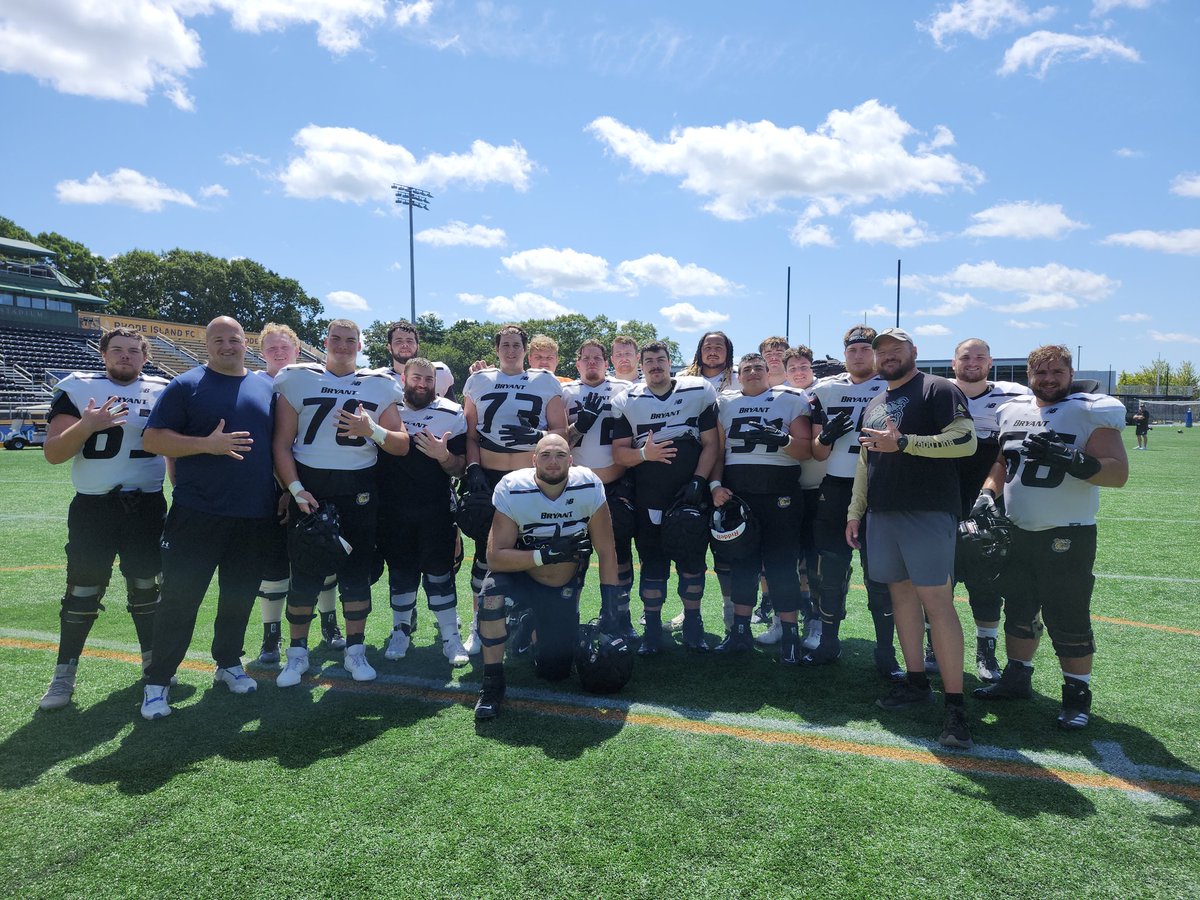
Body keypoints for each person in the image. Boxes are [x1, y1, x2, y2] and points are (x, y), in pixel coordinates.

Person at [973, 345, 1128, 729]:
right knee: (1018, 609)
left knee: (1068, 616)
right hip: (1017, 530)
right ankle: (1017, 677)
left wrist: (1074, 460)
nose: (1048, 379)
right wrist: (987, 494)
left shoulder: (1090, 410)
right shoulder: (1012, 409)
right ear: (1029, 375)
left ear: (1070, 373)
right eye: (1040, 373)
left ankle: (1077, 695)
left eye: (1057, 371)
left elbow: (1117, 473)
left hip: (1067, 534)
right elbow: (1002, 461)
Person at [846, 327, 977, 750]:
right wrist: (855, 511)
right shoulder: (875, 402)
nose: (887, 355)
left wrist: (905, 442)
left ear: (913, 351)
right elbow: (865, 460)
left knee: (937, 603)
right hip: (882, 513)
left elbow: (965, 440)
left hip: (927, 510)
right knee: (900, 598)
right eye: (881, 350)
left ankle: (955, 705)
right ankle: (917, 681)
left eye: (895, 349)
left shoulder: (938, 388)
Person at [140, 317, 278, 719]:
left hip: (253, 513)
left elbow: (276, 446)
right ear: (207, 344)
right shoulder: (185, 385)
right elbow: (153, 438)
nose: (227, 346)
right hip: (198, 513)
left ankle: (229, 663)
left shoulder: (265, 387)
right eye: (218, 340)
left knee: (238, 596)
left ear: (245, 343)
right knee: (180, 599)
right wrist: (207, 445)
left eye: (233, 339)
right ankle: (158, 681)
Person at [38, 328, 171, 710]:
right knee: (82, 590)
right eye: (118, 350)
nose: (125, 356)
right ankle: (64, 676)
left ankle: (154, 666)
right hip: (94, 507)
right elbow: (54, 453)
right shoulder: (79, 388)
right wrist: (87, 425)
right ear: (103, 354)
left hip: (146, 506)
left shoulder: (162, 389)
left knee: (147, 588)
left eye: (133, 351)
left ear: (145, 357)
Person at [272, 319, 410, 687]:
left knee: (357, 571)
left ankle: (355, 650)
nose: (343, 345)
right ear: (325, 341)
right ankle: (297, 654)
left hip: (358, 488)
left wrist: (372, 430)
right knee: (304, 571)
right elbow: (281, 443)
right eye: (336, 338)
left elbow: (401, 444)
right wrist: (295, 488)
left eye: (351, 340)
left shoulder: (379, 384)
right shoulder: (298, 378)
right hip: (311, 487)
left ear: (360, 345)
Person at [474, 434, 622, 720]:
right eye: (545, 455)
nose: (553, 461)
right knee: (491, 598)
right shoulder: (513, 488)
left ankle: (529, 623)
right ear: (534, 460)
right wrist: (545, 555)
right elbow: (495, 557)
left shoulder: (589, 485)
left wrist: (610, 607)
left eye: (559, 455)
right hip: (520, 575)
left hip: (560, 585)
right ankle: (492, 684)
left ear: (571, 460)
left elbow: (607, 551)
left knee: (555, 671)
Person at [460, 324, 567, 653]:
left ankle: (530, 625)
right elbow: (470, 434)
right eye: (504, 345)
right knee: (485, 552)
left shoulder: (544, 381)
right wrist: (473, 467)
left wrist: (543, 449)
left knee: (533, 550)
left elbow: (560, 430)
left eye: (516, 345)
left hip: (531, 479)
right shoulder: (478, 380)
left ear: (525, 349)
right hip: (491, 477)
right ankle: (479, 625)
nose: (510, 350)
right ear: (497, 349)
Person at [803, 326, 901, 680]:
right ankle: (829, 642)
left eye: (865, 349)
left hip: (880, 487)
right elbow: (817, 452)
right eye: (852, 350)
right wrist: (826, 436)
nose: (859, 355)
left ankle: (885, 651)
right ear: (844, 354)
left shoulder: (894, 385)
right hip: (836, 486)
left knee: (880, 574)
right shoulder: (826, 390)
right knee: (829, 570)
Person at [611, 340, 721, 654]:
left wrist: (699, 480)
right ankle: (652, 629)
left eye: (660, 359)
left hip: (688, 491)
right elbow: (619, 454)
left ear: (670, 362)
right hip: (650, 494)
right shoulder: (627, 399)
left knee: (692, 561)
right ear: (641, 365)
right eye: (649, 361)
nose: (655, 365)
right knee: (652, 563)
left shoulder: (697, 391)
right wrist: (644, 454)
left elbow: (711, 444)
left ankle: (693, 624)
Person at [709, 353, 812, 662]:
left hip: (781, 495)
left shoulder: (790, 399)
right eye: (746, 368)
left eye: (758, 367)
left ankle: (790, 636)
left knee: (782, 565)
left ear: (769, 372)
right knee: (742, 564)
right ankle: (739, 632)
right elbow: (717, 451)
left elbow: (806, 449)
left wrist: (783, 440)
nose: (752, 372)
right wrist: (715, 485)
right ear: (738, 375)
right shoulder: (725, 403)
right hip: (739, 495)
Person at [254, 323, 343, 665]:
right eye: (271, 348)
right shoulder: (254, 384)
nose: (279, 353)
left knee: (322, 553)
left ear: (297, 349)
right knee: (274, 564)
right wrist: (284, 487)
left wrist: (295, 488)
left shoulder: (312, 380)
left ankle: (329, 623)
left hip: (311, 486)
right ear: (262, 352)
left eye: (284, 347)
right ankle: (271, 634)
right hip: (269, 488)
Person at [377, 357, 470, 667]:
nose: (422, 384)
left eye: (428, 379)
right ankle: (400, 631)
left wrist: (443, 456)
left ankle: (450, 636)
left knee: (440, 572)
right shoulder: (387, 409)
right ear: (404, 378)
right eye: (417, 377)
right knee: (400, 572)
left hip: (435, 506)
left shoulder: (451, 412)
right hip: (393, 507)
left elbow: (460, 468)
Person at [950, 337, 1031, 682]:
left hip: (991, 498)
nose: (973, 362)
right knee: (937, 579)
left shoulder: (1014, 395)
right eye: (966, 357)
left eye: (979, 357)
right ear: (954, 362)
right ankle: (933, 645)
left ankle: (986, 650)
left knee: (987, 578)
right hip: (943, 497)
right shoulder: (938, 391)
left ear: (990, 362)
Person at [562, 339, 635, 633]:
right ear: (577, 363)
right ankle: (567, 621)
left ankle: (620, 617)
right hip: (574, 487)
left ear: (607, 363)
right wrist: (579, 426)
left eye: (597, 358)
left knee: (619, 553)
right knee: (572, 556)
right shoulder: (564, 392)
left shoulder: (625, 389)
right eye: (586, 358)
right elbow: (554, 443)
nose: (591, 362)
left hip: (615, 485)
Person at [759, 346, 823, 646]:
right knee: (781, 560)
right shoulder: (779, 397)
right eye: (792, 368)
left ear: (813, 367)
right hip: (784, 487)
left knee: (817, 561)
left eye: (803, 366)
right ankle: (780, 621)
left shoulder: (825, 393)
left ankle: (817, 622)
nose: (799, 372)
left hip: (818, 486)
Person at [381, 319, 455, 400]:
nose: (405, 345)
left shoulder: (440, 371)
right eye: (399, 341)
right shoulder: (379, 378)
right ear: (389, 347)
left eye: (409, 341)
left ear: (418, 346)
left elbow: (452, 406)